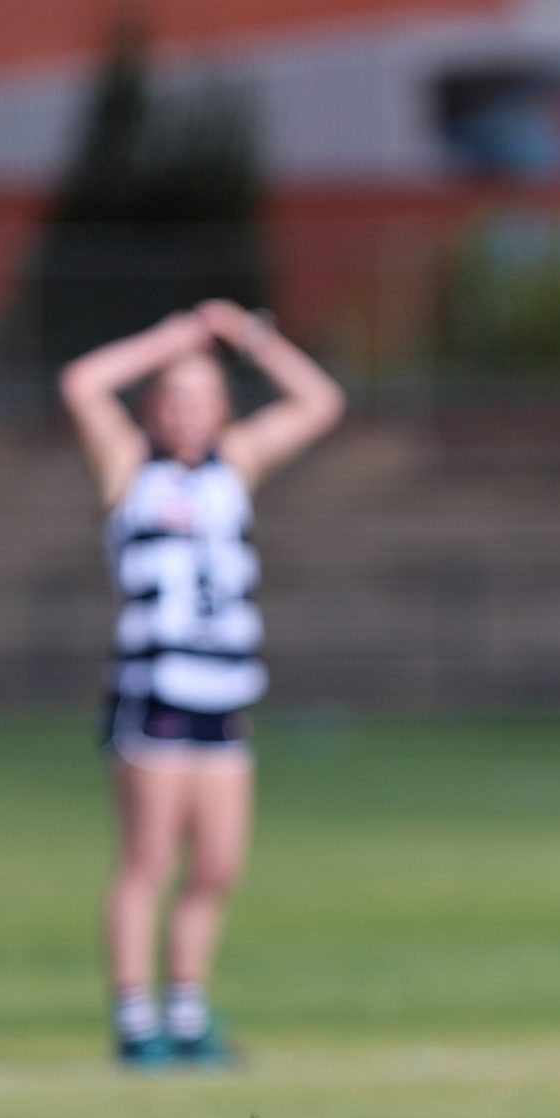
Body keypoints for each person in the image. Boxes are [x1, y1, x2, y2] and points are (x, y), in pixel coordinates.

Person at [59, 301, 345, 1067]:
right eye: (174, 398)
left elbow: (322, 402)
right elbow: (81, 381)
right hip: (155, 692)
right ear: (154, 407)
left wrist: (248, 336)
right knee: (147, 863)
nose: (189, 413)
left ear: (222, 408)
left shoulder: (236, 464)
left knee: (217, 864)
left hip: (225, 694)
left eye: (203, 398)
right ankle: (135, 1018)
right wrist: (170, 339)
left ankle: (186, 1013)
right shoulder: (129, 467)